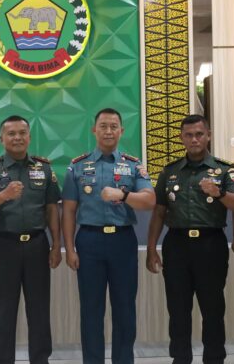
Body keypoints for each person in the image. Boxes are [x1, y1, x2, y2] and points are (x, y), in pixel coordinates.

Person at [146, 114, 234, 364]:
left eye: (199, 134)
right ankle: (181, 358)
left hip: (210, 245)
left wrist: (218, 192)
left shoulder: (224, 169)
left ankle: (214, 358)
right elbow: (159, 212)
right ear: (181, 138)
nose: (194, 139)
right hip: (177, 245)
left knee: (213, 308)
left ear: (208, 135)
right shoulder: (170, 171)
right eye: (189, 135)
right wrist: (151, 248)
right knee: (178, 309)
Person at [62, 108, 156, 364]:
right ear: (94, 130)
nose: (108, 131)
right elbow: (68, 210)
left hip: (122, 242)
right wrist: (69, 248)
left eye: (114, 126)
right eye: (103, 126)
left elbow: (149, 201)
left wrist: (123, 195)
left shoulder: (133, 165)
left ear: (121, 131)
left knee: (125, 308)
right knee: (91, 310)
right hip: (89, 241)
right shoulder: (77, 166)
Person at [0, 115, 62, 364]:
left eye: (22, 133)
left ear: (29, 137)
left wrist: (57, 245)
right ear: (2, 138)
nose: (17, 138)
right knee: (3, 312)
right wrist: (3, 195)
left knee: (39, 311)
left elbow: (52, 208)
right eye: (11, 133)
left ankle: (40, 360)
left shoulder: (44, 168)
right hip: (4, 246)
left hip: (37, 245)